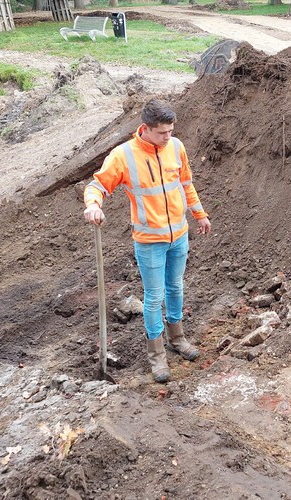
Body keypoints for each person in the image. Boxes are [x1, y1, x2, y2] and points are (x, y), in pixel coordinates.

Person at [83, 97, 211, 383]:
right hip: (149, 241)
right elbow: (98, 185)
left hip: (179, 235)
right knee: (154, 297)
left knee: (176, 287)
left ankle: (177, 339)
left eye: (171, 131)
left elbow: (186, 184)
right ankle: (157, 356)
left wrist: (199, 214)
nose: (169, 137)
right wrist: (93, 204)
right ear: (146, 128)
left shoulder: (176, 147)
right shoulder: (123, 156)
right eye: (163, 132)